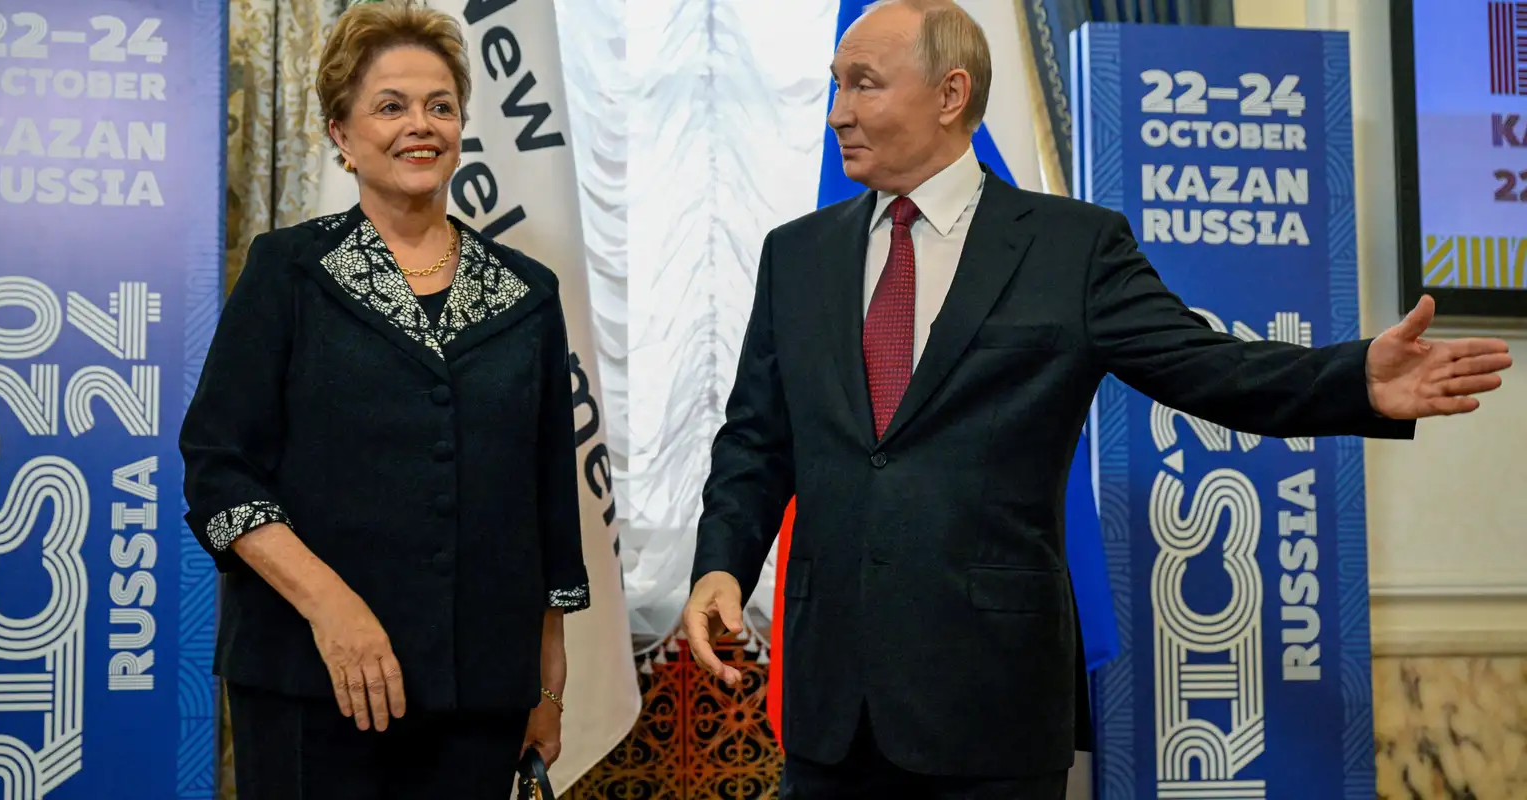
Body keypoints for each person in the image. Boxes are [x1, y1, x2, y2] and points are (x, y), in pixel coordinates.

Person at [681, 1, 1513, 798]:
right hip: (832, 708)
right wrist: (722, 561)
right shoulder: (796, 256)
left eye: (863, 84)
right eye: (836, 85)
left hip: (990, 707)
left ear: (950, 94)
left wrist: (1356, 378)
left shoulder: (1071, 248)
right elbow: (756, 438)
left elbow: (1207, 366)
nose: (837, 113)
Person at [179, 3, 590, 796]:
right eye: (391, 106)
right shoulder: (286, 272)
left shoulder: (529, 292)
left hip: (480, 693)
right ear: (341, 133)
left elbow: (547, 503)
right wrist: (331, 608)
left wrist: (548, 683)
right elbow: (218, 470)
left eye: (440, 105)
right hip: (309, 679)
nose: (420, 126)